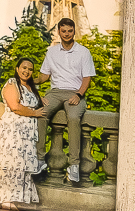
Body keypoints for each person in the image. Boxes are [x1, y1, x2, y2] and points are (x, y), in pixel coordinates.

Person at [35, 18, 95, 185]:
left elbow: (87, 78)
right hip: (55, 92)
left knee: (74, 118)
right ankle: (40, 160)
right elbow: (44, 76)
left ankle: (74, 165)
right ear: (59, 32)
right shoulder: (51, 52)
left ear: (74, 31)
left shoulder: (84, 52)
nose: (67, 34)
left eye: (70, 31)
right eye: (64, 31)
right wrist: (29, 80)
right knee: (41, 114)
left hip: (75, 92)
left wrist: (79, 94)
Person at [0, 56, 46, 210]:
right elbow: (15, 106)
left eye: (30, 69)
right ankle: (6, 201)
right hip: (13, 132)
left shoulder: (29, 87)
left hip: (27, 135)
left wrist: (42, 99)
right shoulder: (12, 84)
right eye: (24, 68)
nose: (27, 71)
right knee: (11, 164)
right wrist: (35, 113)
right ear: (17, 69)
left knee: (22, 166)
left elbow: (30, 100)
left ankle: (15, 200)